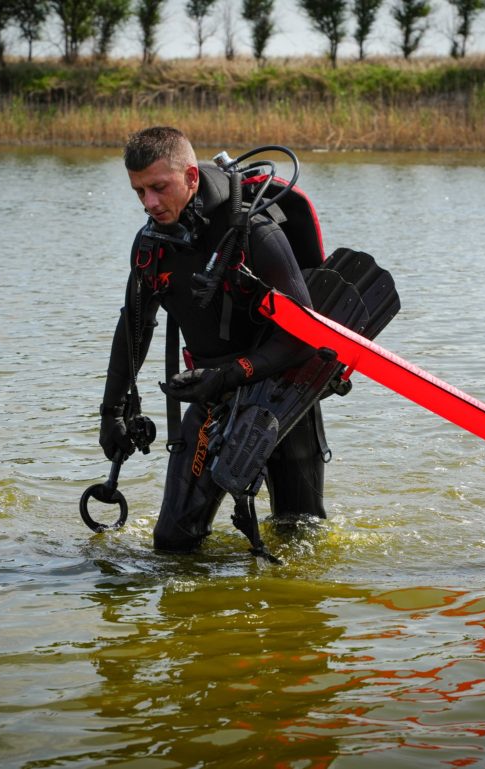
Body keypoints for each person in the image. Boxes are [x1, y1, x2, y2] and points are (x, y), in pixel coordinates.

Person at [98, 126, 327, 553]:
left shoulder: (254, 232)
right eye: (139, 191)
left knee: (299, 538)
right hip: (210, 394)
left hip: (285, 392)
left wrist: (229, 374)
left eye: (158, 188)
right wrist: (111, 411)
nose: (149, 203)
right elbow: (134, 325)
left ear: (190, 175)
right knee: (172, 541)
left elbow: (305, 337)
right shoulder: (152, 244)